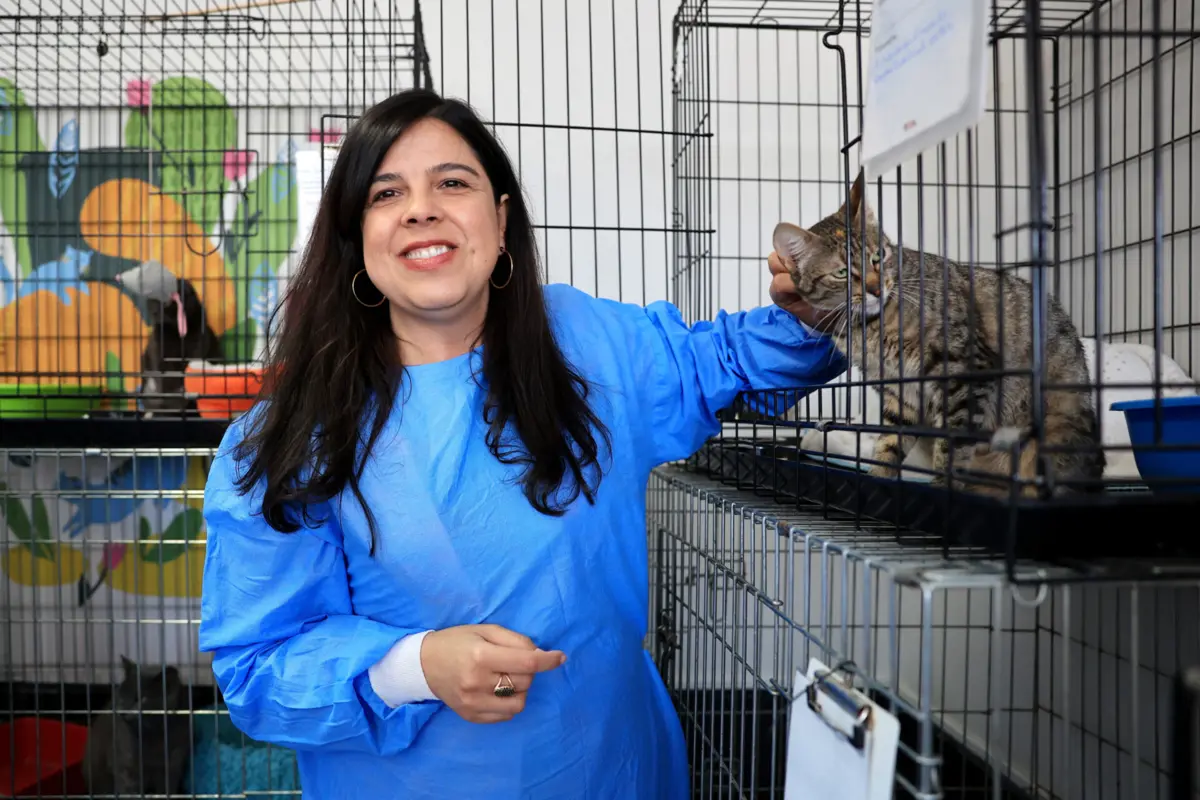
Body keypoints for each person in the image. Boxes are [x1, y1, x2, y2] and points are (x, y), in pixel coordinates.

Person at [197, 87, 846, 799]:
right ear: (356, 236)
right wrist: (416, 666)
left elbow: (726, 361)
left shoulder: (588, 345)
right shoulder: (289, 435)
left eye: (453, 182)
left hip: (611, 771)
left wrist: (823, 305)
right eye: (387, 193)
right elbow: (259, 668)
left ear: (500, 221)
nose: (421, 207)